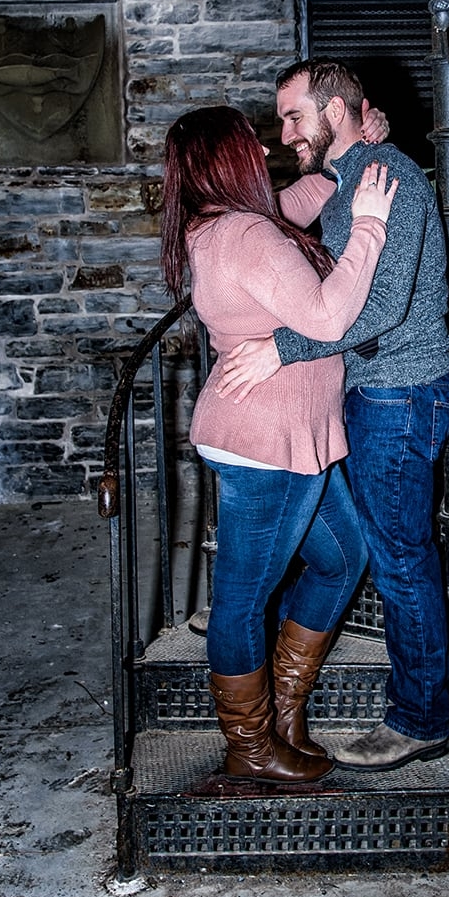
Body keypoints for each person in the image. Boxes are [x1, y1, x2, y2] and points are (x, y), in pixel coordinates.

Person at [217, 59, 449, 772]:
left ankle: (420, 720)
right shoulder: (352, 174)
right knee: (359, 546)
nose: (285, 131)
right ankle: (248, 610)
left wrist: (282, 349)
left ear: (336, 109)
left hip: (399, 396)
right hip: (372, 389)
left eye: (295, 116)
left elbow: (380, 305)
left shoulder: (388, 179)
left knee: (400, 560)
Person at [160, 104, 397, 785]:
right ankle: (250, 745)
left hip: (288, 436)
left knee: (340, 558)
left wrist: (344, 161)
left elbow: (292, 204)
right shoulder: (245, 237)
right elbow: (325, 317)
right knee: (241, 601)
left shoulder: (219, 224)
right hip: (267, 443)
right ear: (232, 159)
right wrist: (371, 228)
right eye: (250, 146)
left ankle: (283, 712)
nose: (264, 153)